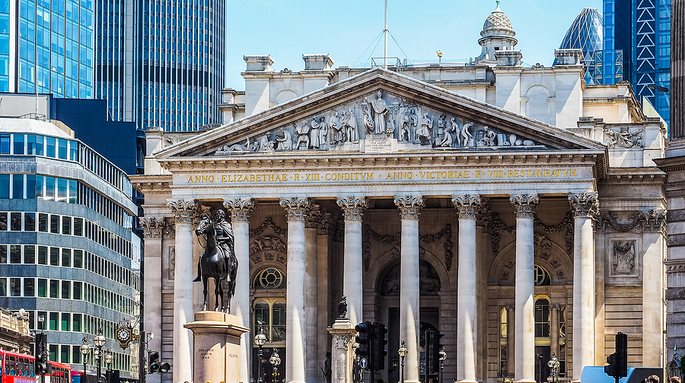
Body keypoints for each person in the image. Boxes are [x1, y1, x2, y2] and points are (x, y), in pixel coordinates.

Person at [194, 210, 234, 282]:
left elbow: (230, 238)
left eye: (218, 215)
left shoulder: (227, 225)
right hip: (214, 245)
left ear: (222, 216)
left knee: (227, 256)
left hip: (223, 245)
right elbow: (206, 231)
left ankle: (228, 274)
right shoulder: (213, 225)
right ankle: (199, 276)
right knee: (201, 256)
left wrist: (220, 238)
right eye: (216, 214)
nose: (217, 216)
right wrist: (199, 232)